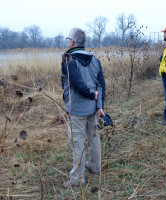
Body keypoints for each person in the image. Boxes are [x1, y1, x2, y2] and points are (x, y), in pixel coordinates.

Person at [61, 28, 106, 188]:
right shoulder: (95, 60)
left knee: (77, 142)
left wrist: (90, 94)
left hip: (77, 110)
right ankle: (95, 166)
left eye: (68, 40)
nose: (67, 42)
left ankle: (76, 179)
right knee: (93, 137)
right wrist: (99, 105)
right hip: (92, 109)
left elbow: (76, 83)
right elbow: (101, 85)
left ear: (72, 42)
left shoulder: (68, 60)